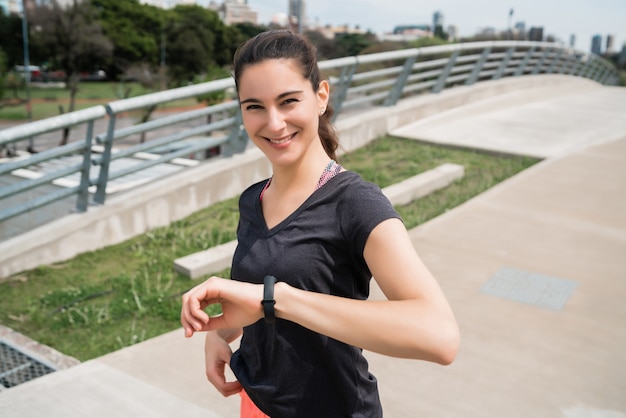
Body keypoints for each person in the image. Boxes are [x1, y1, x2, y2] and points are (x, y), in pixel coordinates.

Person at [180, 30, 460, 418]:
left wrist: (274, 300)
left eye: (288, 101)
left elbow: (439, 335)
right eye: (254, 106)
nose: (274, 123)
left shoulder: (355, 203)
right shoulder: (253, 199)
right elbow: (257, 289)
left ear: (321, 97)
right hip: (257, 403)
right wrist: (222, 331)